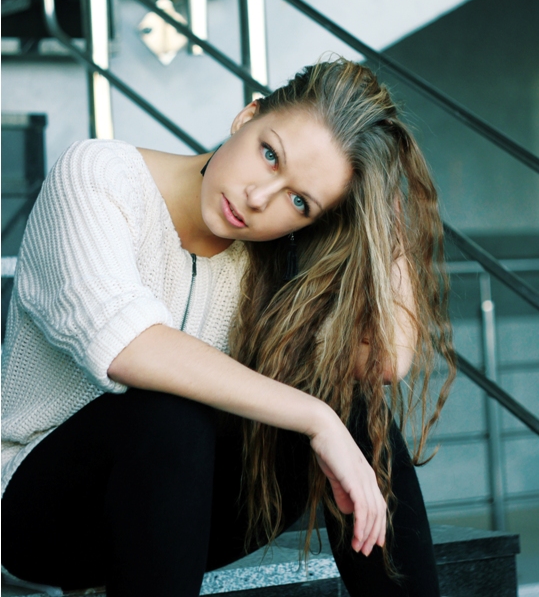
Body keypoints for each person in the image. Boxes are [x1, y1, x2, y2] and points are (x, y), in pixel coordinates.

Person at [2, 59, 455, 597]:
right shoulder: (97, 176)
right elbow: (126, 345)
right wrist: (318, 420)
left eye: (299, 201)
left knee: (352, 403)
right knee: (169, 413)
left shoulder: (270, 257)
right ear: (247, 116)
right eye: (270, 155)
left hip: (175, 506)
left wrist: (384, 219)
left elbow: (384, 362)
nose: (259, 198)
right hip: (33, 511)